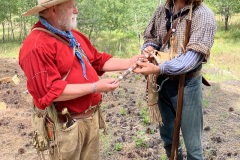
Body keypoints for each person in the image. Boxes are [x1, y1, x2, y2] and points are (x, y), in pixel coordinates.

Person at [19, 0, 142, 159]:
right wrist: (94, 87)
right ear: (54, 10)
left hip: (89, 120)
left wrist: (130, 62)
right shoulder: (36, 46)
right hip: (65, 128)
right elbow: (51, 92)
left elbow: (98, 60)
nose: (76, 11)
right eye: (72, 7)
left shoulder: (71, 35)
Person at [134, 0, 216, 159]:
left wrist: (159, 68)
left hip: (187, 85)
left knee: (193, 147)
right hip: (161, 82)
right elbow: (152, 38)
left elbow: (192, 58)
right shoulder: (162, 10)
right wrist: (148, 48)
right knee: (169, 140)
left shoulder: (203, 15)